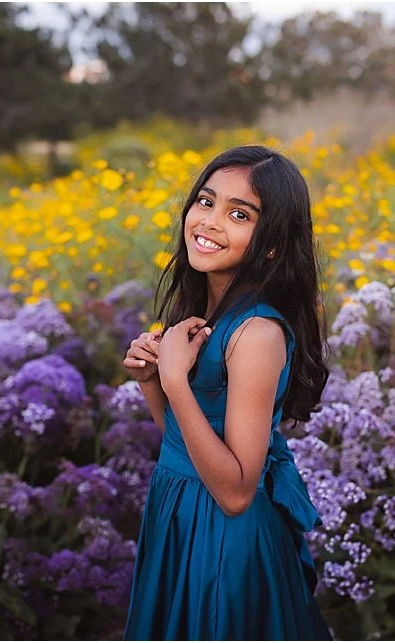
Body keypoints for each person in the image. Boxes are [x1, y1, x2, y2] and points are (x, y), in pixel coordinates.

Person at [120, 145, 333, 639]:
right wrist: (154, 381)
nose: (211, 221)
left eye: (240, 214)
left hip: (223, 539)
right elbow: (185, 444)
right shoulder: (207, 315)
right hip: (182, 517)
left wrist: (175, 379)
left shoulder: (255, 333)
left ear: (273, 244)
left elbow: (236, 492)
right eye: (206, 201)